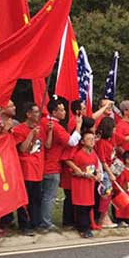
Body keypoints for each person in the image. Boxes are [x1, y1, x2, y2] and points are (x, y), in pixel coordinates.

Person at [40, 98, 82, 231]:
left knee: (42, 196)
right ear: (54, 112)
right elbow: (71, 142)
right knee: (49, 196)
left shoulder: (43, 121)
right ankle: (46, 222)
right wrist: (79, 126)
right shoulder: (56, 126)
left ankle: (40, 221)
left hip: (42, 164)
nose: (64, 112)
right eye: (62, 110)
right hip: (52, 165)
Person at [12, 102, 45, 236]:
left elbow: (46, 145)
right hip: (26, 170)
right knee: (25, 200)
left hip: (38, 169)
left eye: (38, 112)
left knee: (36, 199)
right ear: (28, 114)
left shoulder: (40, 128)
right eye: (35, 112)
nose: (38, 114)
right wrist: (31, 134)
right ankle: (24, 225)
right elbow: (22, 148)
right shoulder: (20, 129)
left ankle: (35, 222)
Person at [66, 131, 101, 238]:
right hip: (80, 185)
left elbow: (96, 168)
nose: (92, 141)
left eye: (93, 139)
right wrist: (83, 174)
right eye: (89, 139)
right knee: (81, 207)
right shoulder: (79, 154)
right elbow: (73, 170)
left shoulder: (93, 153)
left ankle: (87, 226)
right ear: (82, 142)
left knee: (89, 206)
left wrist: (98, 174)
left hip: (90, 185)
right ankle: (83, 228)